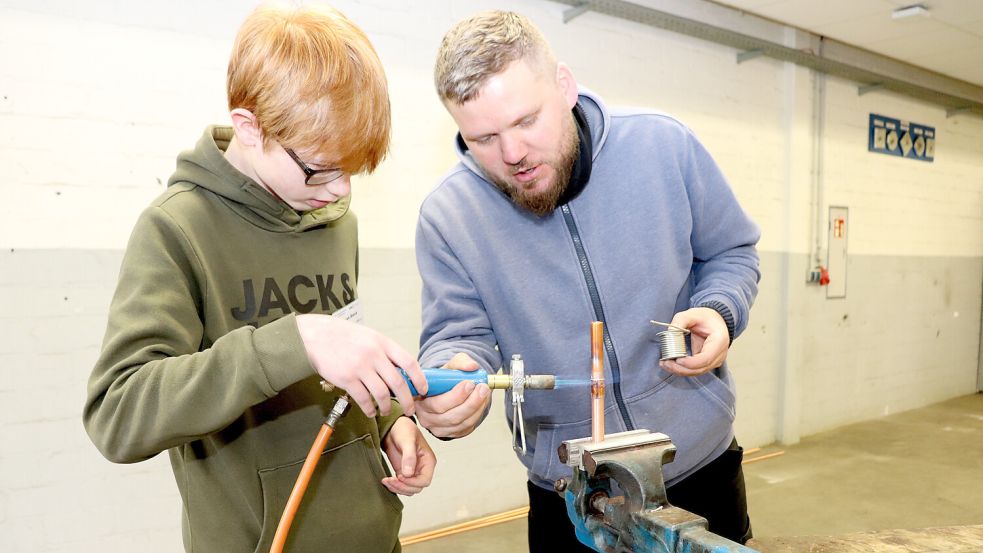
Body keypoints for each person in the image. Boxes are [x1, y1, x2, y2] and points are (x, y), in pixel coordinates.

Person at [83, 4, 435, 552]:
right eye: (322, 167)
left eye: (352, 170)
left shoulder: (335, 221)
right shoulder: (177, 230)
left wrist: (389, 421)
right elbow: (119, 413)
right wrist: (290, 344)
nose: (340, 190)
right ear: (250, 128)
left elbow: (341, 352)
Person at [414, 10, 760, 551]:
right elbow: (458, 337)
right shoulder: (449, 216)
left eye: (527, 121)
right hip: (568, 493)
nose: (512, 155)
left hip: (698, 467)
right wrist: (454, 378)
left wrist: (718, 309)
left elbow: (731, 251)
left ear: (565, 87)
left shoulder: (663, 147)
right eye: (483, 138)